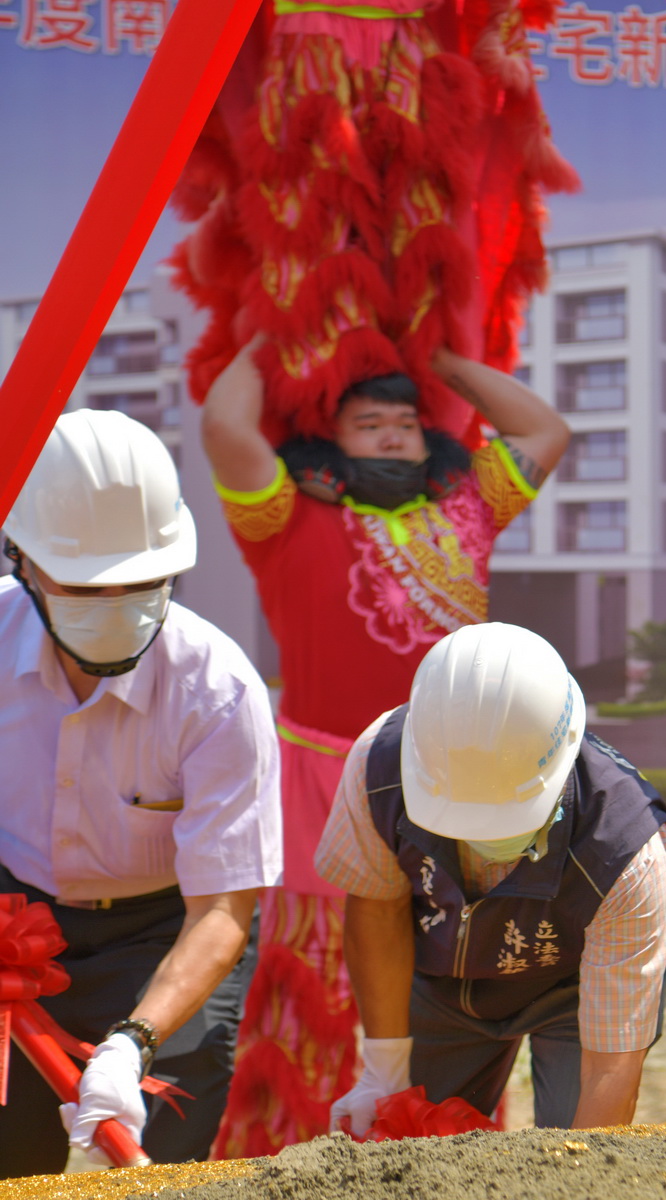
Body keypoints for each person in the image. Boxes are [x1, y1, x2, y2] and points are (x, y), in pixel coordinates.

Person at [200, 340, 570, 1151]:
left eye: (408, 422)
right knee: (315, 984)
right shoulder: (284, 514)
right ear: (330, 442)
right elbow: (226, 425)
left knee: (452, 967)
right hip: (319, 778)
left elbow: (544, 431)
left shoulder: (467, 506)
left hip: (454, 780)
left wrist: (441, 357)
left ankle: (442, 1153)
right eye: (371, 423)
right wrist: (281, 334)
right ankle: (294, 1155)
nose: (397, 435)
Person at [0, 410, 281, 1176]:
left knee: (152, 1154)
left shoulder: (218, 693)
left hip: (165, 935)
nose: (118, 602)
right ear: (21, 559)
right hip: (17, 916)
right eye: (89, 585)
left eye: (143, 580)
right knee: (12, 1157)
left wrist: (134, 1042)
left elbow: (222, 909)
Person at [315, 623, 666, 1131]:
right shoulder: (380, 767)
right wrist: (383, 1070)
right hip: (441, 983)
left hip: (573, 988)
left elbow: (611, 1066)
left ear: (562, 754)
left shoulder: (627, 848)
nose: (478, 838)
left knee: (575, 1153)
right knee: (413, 1151)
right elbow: (378, 905)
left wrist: (586, 1172)